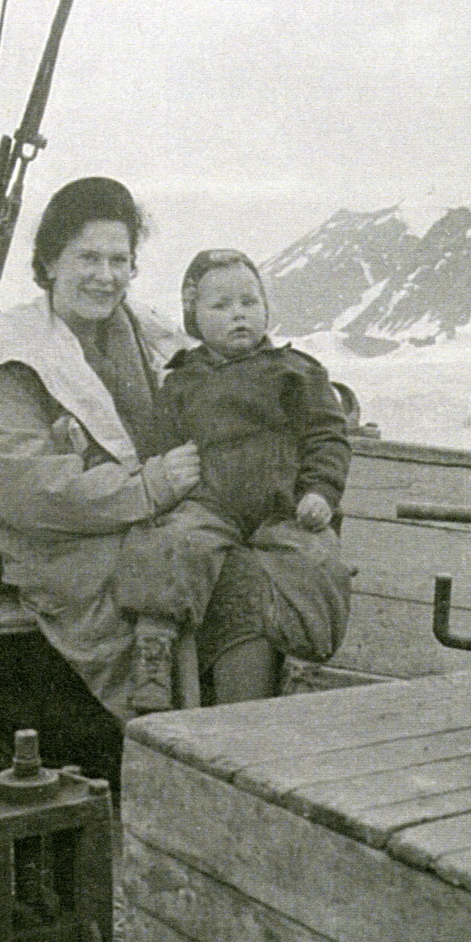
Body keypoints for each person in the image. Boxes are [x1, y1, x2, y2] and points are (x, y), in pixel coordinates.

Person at [0, 177, 351, 727]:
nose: (106, 276)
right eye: (87, 258)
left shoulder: (138, 328)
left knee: (271, 559)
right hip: (66, 539)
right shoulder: (8, 353)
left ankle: (236, 734)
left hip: (157, 512)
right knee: (230, 574)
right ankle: (197, 735)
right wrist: (149, 486)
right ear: (49, 263)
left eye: (120, 260)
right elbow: (18, 492)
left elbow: (229, 376)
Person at [114, 249, 352, 712]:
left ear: (266, 307)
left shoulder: (298, 372)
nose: (238, 314)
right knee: (165, 543)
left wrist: (320, 492)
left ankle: (303, 663)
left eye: (249, 302)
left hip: (283, 509)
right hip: (209, 506)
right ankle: (154, 647)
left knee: (317, 560)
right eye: (220, 306)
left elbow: (328, 437)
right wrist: (161, 473)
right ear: (194, 318)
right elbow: (156, 443)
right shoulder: (183, 381)